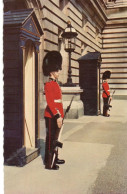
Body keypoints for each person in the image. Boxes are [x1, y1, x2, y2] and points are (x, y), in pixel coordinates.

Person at [42, 51, 65, 170]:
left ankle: (55, 157)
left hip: (57, 114)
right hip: (51, 116)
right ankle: (49, 162)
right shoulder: (49, 84)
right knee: (51, 139)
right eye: (57, 70)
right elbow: (51, 103)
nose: (59, 72)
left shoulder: (55, 83)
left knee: (56, 138)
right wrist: (57, 116)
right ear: (52, 71)